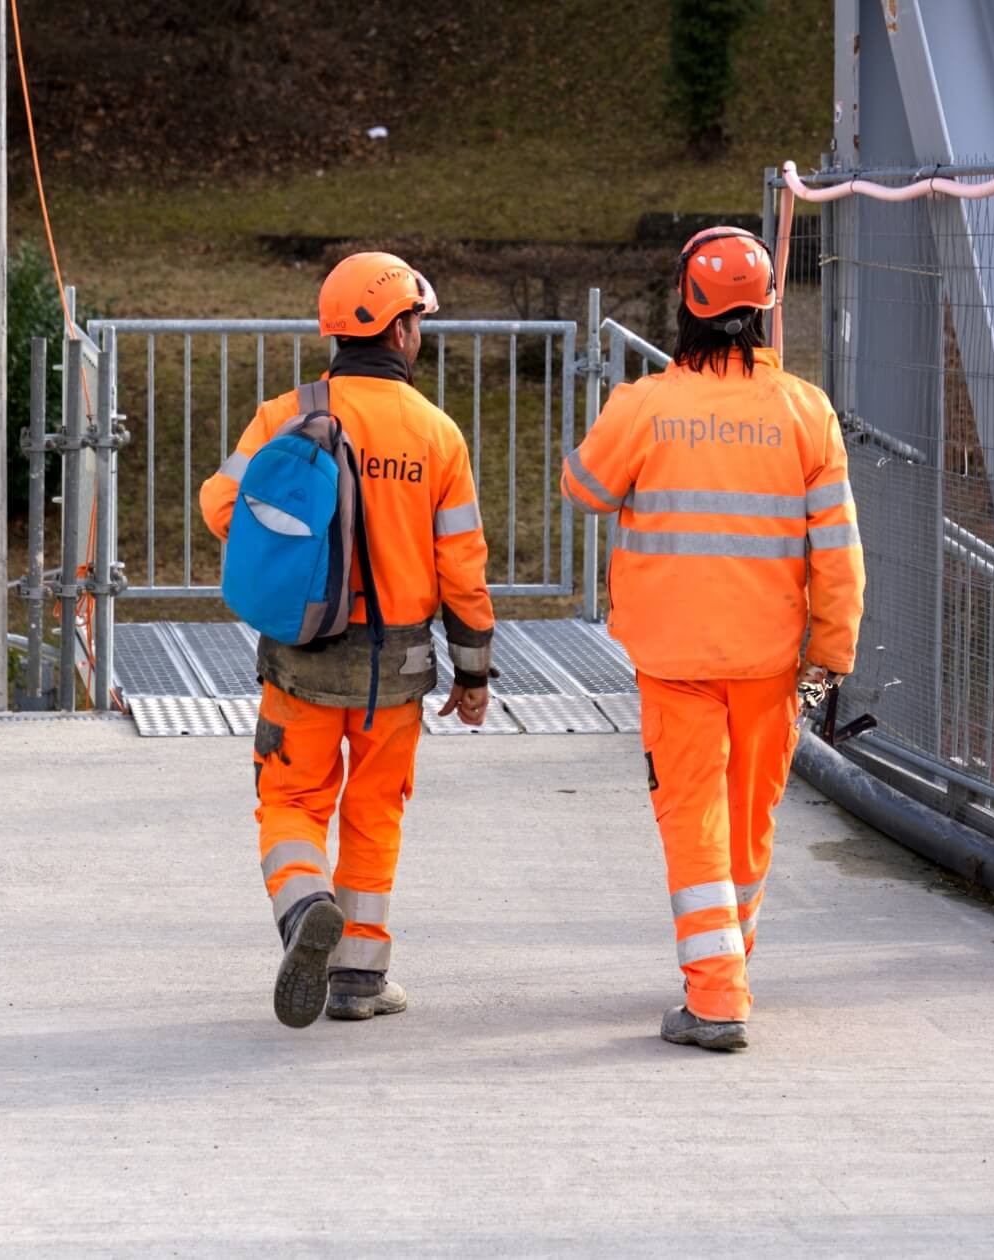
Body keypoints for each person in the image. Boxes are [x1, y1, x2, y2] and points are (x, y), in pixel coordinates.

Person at [561, 226, 865, 1052]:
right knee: (748, 824)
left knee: (692, 818)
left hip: (674, 662)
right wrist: (831, 655)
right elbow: (838, 557)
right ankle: (729, 968)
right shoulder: (805, 411)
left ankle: (717, 995)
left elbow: (582, 485)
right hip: (771, 666)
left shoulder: (647, 405)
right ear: (767, 312)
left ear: (687, 310)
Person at [200, 252, 494, 1029]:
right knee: (375, 813)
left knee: (291, 799)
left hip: (301, 659)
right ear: (399, 329)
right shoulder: (437, 435)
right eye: (417, 321)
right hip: (396, 670)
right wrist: (474, 675)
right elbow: (463, 570)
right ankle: (360, 979)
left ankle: (305, 910)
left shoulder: (284, 414)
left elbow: (220, 508)